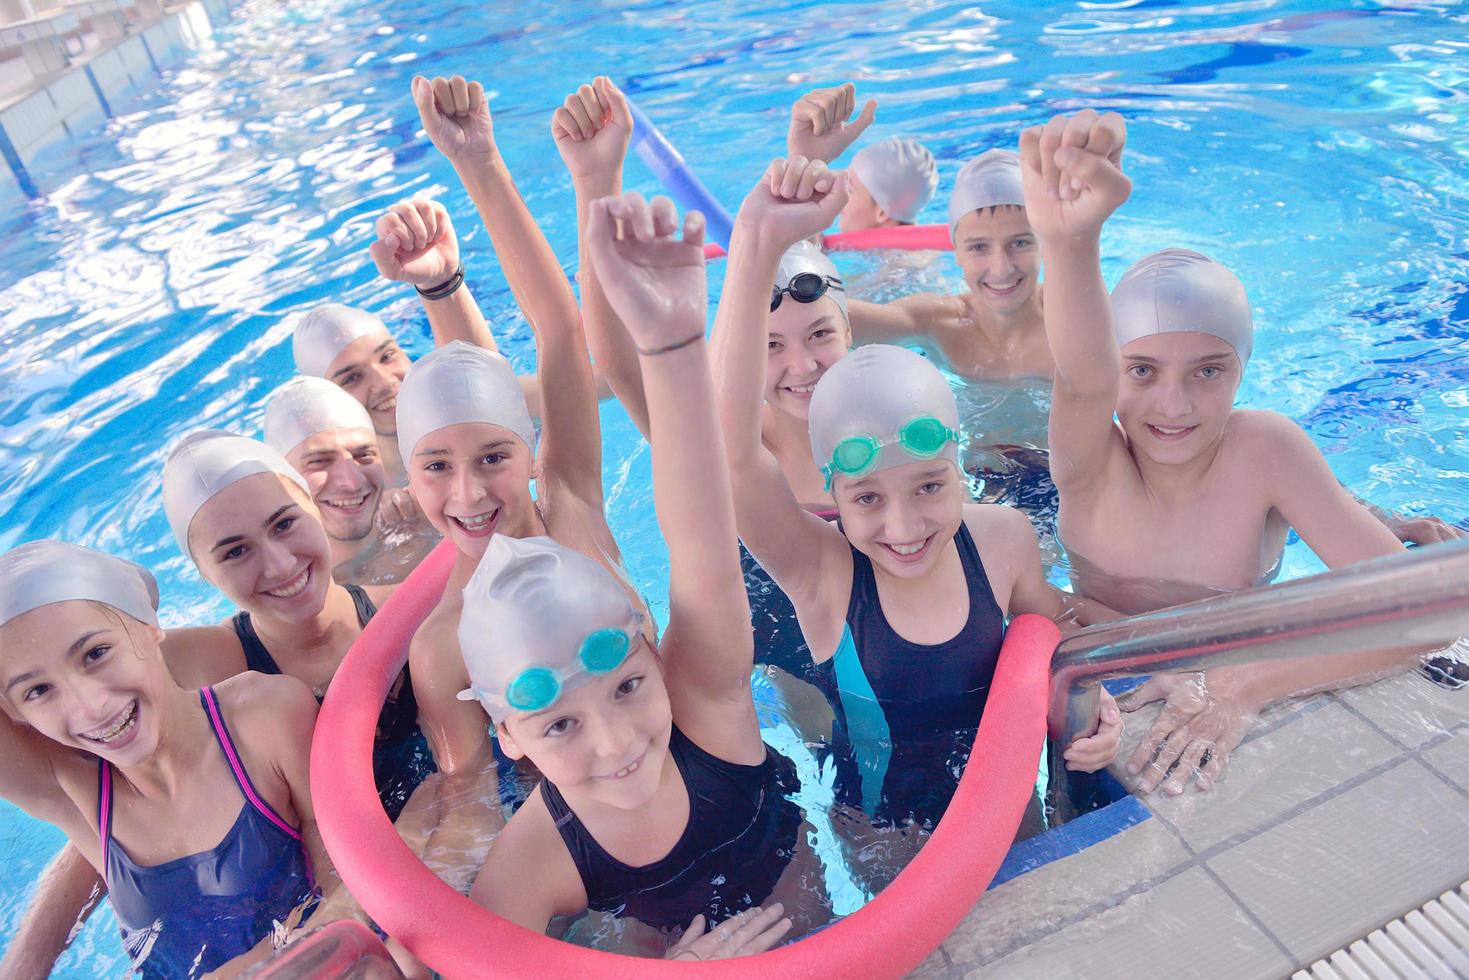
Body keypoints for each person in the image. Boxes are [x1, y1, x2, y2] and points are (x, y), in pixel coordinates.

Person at [1020, 107, 1431, 795]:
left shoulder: (1264, 448)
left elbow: (1418, 610)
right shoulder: (1090, 462)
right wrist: (1069, 242)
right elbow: (1080, 376)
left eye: (1207, 371)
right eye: (1141, 370)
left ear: (1241, 371)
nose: (1173, 406)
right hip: (1111, 684)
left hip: (1223, 663)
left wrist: (1243, 685)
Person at [709, 153, 1122, 832]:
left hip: (1008, 806)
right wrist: (754, 245)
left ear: (960, 471)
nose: (903, 527)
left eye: (928, 486)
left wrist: (1093, 704)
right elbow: (731, 458)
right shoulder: (824, 572)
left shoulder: (1002, 538)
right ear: (833, 501)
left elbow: (1054, 645)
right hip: (881, 838)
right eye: (867, 499)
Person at [466, 191, 827, 960]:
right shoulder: (532, 865)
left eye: (628, 685)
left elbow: (700, 535)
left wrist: (670, 347)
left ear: (653, 654)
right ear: (509, 736)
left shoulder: (704, 706)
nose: (618, 740)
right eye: (558, 724)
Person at [0, 541, 352, 977]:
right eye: (38, 690)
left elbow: (348, 886)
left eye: (95, 654)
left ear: (150, 625)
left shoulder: (268, 717)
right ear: (15, 712)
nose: (88, 707)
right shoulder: (71, 792)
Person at [263, 375, 439, 586]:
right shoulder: (290, 594)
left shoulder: (426, 516)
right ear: (280, 479)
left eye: (364, 455)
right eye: (320, 461)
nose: (353, 482)